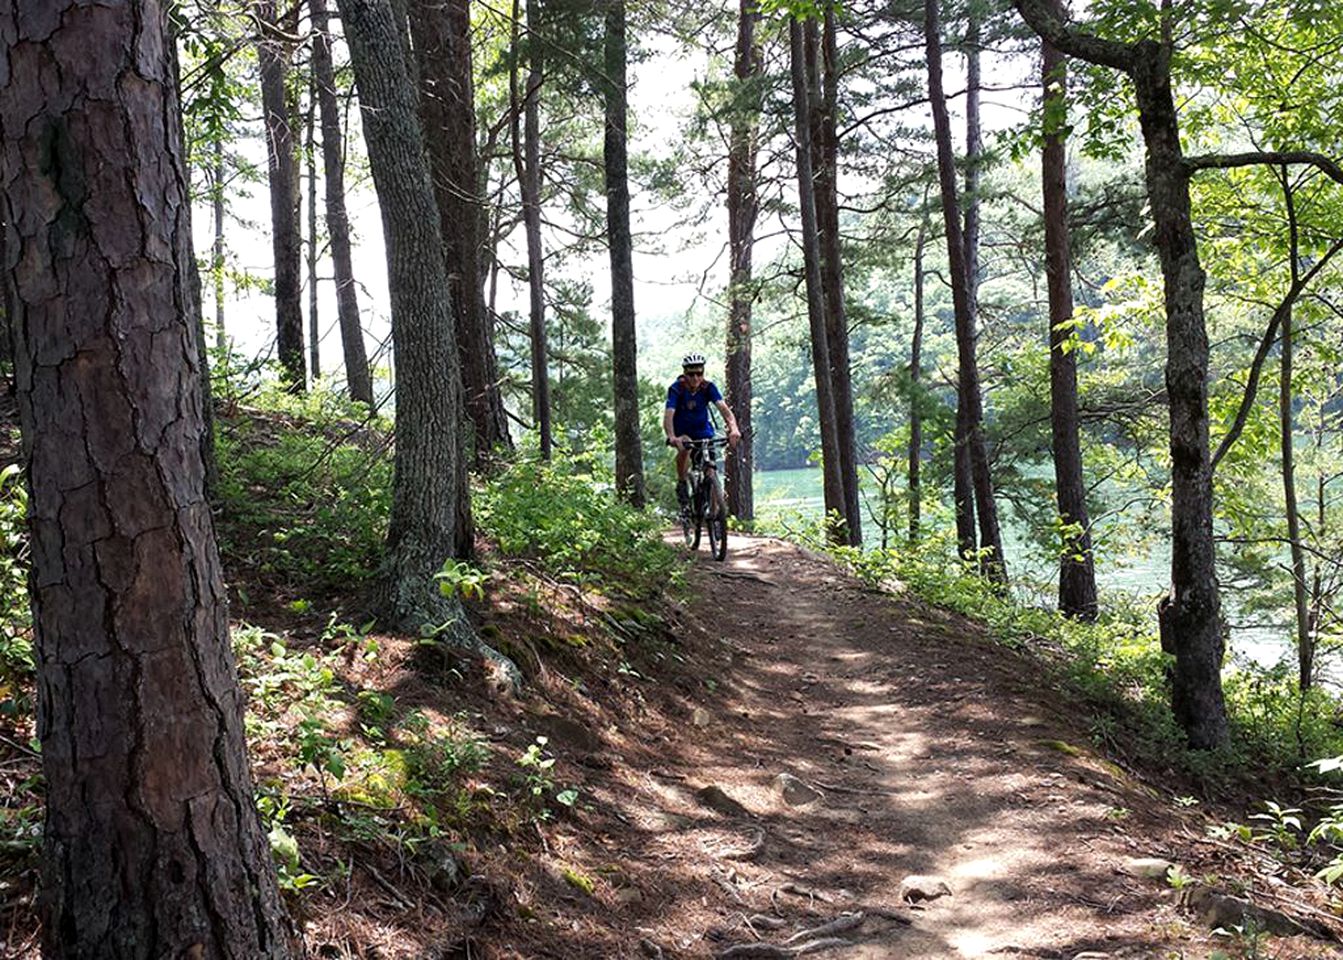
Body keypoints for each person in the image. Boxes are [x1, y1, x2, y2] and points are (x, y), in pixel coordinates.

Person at [664, 352, 741, 514]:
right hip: (683, 432)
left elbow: (725, 411)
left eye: (699, 373)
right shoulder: (676, 389)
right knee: (685, 447)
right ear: (684, 374)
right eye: (691, 374)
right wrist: (671, 436)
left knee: (710, 470)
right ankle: (682, 482)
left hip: (703, 431)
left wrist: (733, 429)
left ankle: (715, 514)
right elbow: (669, 414)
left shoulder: (708, 387)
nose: (695, 378)